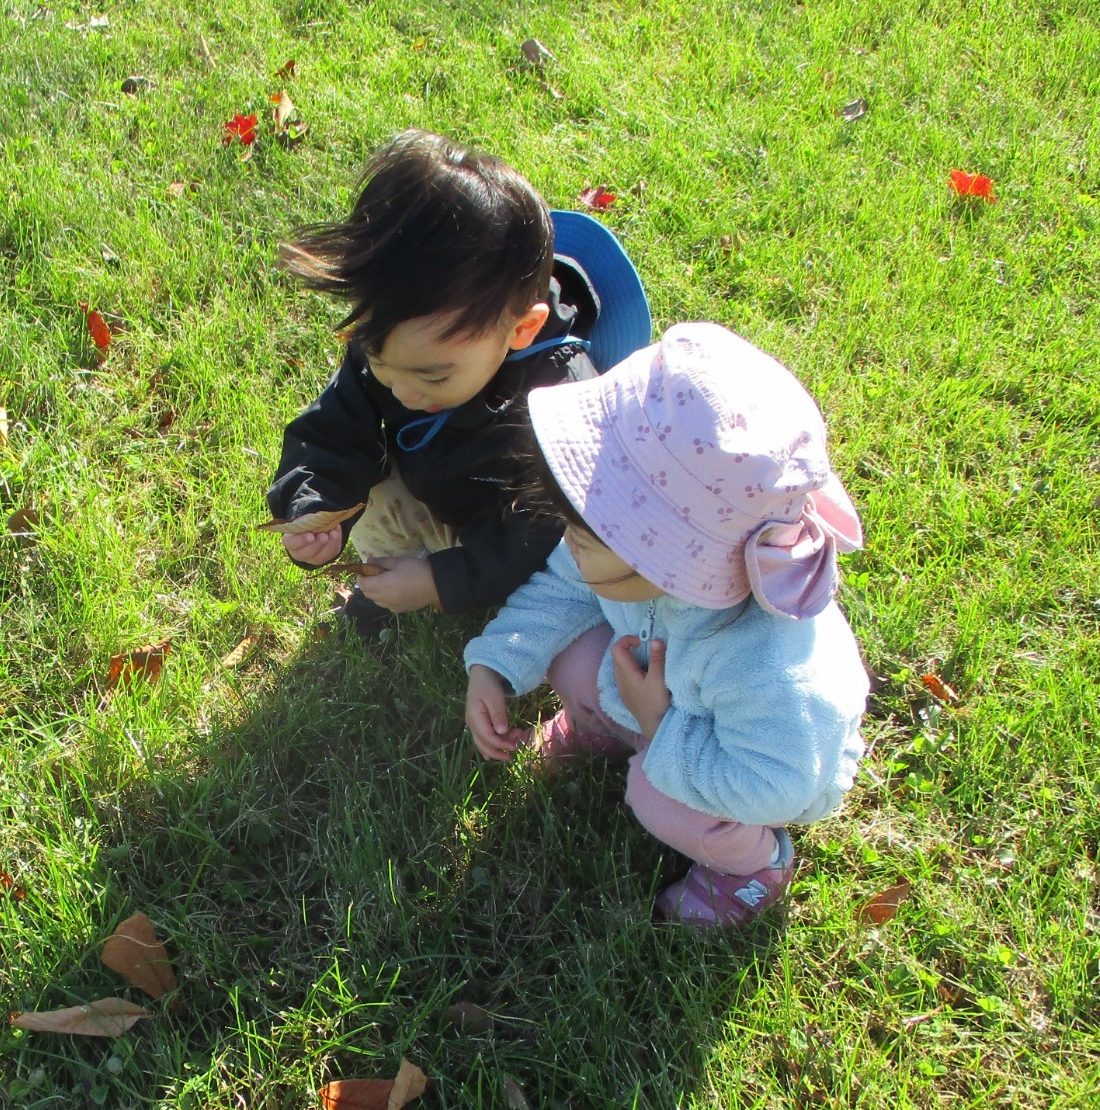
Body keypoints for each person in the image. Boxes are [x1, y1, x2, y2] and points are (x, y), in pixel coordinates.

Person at [462, 323, 871, 928]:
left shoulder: (772, 665)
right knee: (570, 653)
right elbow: (561, 587)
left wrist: (657, 724)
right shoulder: (631, 566)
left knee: (656, 799)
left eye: (585, 533)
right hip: (660, 697)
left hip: (755, 768)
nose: (567, 545)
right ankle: (607, 726)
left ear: (674, 558)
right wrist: (493, 665)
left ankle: (753, 866)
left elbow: (774, 786)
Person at [266, 130, 651, 638]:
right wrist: (312, 507)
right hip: (440, 493)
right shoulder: (401, 346)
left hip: (527, 544)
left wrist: (439, 580)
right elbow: (333, 431)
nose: (403, 390)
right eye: (380, 359)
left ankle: (468, 601)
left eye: (434, 375)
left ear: (522, 330)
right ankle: (392, 584)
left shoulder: (562, 397)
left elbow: (540, 529)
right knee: (369, 486)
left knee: (575, 578)